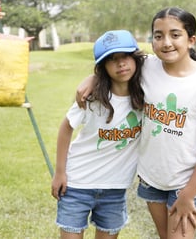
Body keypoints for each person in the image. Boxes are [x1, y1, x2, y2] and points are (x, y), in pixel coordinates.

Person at [76, 7, 196, 239]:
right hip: (152, 178)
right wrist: (93, 77)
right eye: (158, 35)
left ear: (191, 39)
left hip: (185, 182)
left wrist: (188, 194)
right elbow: (118, 64)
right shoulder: (147, 66)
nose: (166, 42)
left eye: (175, 35)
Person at [51, 29, 145, 239]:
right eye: (112, 59)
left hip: (115, 188)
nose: (121, 63)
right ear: (102, 67)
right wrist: (60, 172)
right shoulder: (92, 99)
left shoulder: (147, 95)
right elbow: (66, 128)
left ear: (136, 58)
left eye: (125, 56)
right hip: (76, 185)